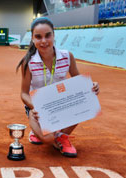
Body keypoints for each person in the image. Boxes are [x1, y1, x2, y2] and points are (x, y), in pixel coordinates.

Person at [17, 17, 99, 158]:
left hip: (61, 104)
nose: (44, 41)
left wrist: (91, 87)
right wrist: (35, 107)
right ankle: (40, 131)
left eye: (48, 35)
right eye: (38, 37)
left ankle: (62, 136)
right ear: (32, 38)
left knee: (84, 99)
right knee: (48, 139)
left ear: (54, 35)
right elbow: (24, 94)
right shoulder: (28, 62)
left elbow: (79, 83)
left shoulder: (68, 57)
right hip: (37, 108)